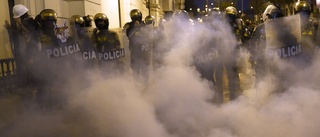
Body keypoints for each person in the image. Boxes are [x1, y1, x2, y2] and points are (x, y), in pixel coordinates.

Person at [4, 4, 39, 110]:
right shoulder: (25, 23)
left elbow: (29, 34)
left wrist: (19, 24)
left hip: (33, 50)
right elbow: (20, 34)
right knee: (28, 70)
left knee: (33, 71)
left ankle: (34, 93)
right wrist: (10, 28)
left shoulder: (30, 22)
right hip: (29, 51)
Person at [213, 6, 243, 104]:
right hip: (224, 53)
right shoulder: (232, 23)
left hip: (225, 54)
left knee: (224, 77)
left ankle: (223, 100)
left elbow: (240, 37)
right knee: (228, 77)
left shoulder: (222, 23)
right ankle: (230, 99)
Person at [125, 9, 152, 83]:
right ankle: (136, 85)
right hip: (135, 52)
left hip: (144, 52)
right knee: (135, 70)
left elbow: (149, 36)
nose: (136, 19)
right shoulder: (129, 26)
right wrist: (134, 27)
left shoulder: (144, 24)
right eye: (134, 17)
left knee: (145, 69)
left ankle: (145, 85)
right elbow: (127, 34)